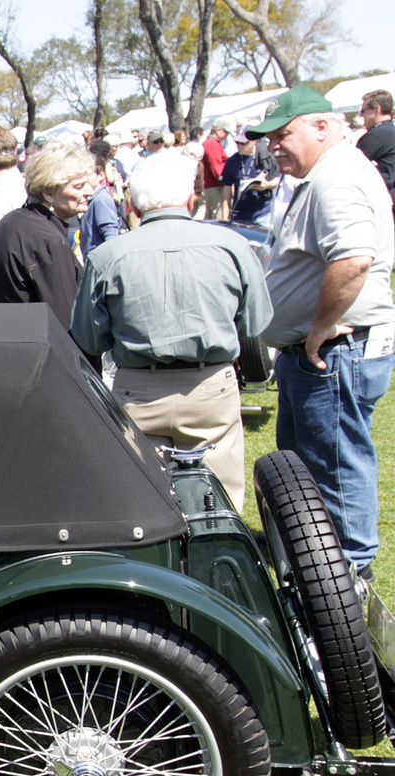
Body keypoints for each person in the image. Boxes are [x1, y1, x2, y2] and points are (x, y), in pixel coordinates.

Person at [71, 150, 272, 512]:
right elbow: (254, 325)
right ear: (191, 198)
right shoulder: (233, 246)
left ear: (131, 203)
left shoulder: (107, 257)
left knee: (142, 504)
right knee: (221, 506)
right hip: (211, 386)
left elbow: (88, 337)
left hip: (138, 389)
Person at [249, 85, 395, 575]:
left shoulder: (336, 179)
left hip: (333, 350)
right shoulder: (326, 175)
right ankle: (322, 571)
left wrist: (318, 329)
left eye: (282, 135)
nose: (273, 146)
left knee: (332, 466)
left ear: (322, 126)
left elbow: (353, 259)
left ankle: (348, 580)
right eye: (268, 139)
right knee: (310, 469)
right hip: (321, 350)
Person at [0, 143, 94, 333]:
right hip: (39, 352)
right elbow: (68, 324)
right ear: (48, 192)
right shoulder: (47, 240)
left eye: (88, 184)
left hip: (11, 343)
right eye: (79, 186)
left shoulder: (13, 221)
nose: (89, 191)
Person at [220, 129, 280, 227]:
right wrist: (224, 218)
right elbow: (226, 191)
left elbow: (278, 179)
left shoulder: (266, 158)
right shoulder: (231, 162)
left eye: (243, 143)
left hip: (263, 213)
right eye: (237, 143)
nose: (239, 146)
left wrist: (267, 185)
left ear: (254, 141)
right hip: (239, 214)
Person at [80, 141, 124, 259]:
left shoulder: (101, 200)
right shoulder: (93, 199)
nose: (84, 179)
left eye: (88, 175)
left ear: (100, 175)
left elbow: (110, 235)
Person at [356, 89, 395, 214]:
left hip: (383, 200)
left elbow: (351, 162)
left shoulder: (378, 135)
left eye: (363, 111)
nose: (361, 116)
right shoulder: (390, 130)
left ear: (377, 109)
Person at [200, 118, 235, 220]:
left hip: (210, 184)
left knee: (210, 216)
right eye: (226, 132)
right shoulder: (212, 144)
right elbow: (216, 166)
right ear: (218, 130)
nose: (227, 135)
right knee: (218, 215)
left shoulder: (211, 143)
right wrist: (225, 181)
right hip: (214, 185)